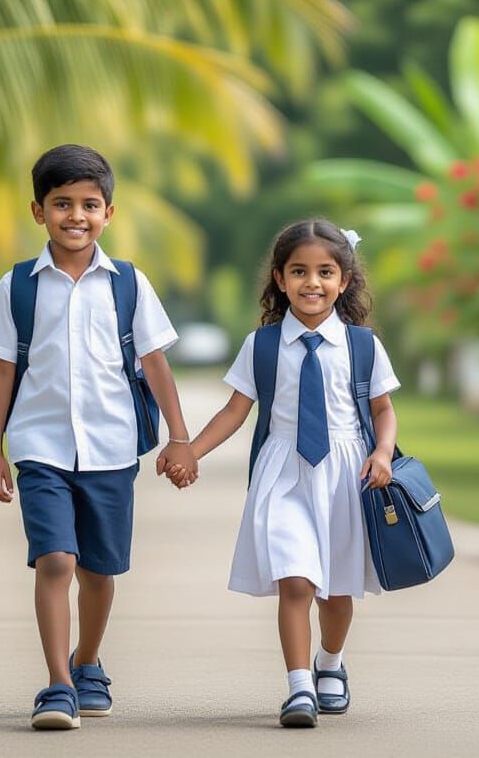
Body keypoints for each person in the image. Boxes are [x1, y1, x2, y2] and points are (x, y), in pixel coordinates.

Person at [0, 144, 199, 730]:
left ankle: (89, 661)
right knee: (55, 560)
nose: (76, 215)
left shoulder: (126, 283)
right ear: (38, 210)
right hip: (40, 448)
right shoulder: (18, 285)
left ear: (109, 213)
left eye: (89, 205)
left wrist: (180, 437)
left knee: (98, 570)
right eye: (62, 204)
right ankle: (57, 684)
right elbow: (2, 369)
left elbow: (154, 362)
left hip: (110, 448)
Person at [167, 218, 400, 728]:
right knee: (295, 581)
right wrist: (191, 451)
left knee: (337, 589)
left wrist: (383, 453)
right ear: (279, 278)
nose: (311, 282)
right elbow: (235, 410)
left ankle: (330, 664)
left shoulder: (362, 345)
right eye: (299, 271)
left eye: (324, 272)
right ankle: (299, 689)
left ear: (344, 280)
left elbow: (383, 409)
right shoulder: (263, 345)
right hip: (284, 472)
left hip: (346, 474)